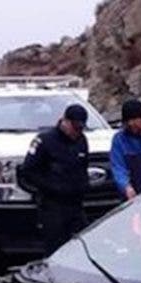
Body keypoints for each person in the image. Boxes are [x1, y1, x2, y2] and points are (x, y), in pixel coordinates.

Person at [19, 104, 90, 255]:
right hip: (52, 205)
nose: (77, 132)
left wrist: (84, 186)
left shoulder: (81, 140)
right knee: (55, 248)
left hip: (76, 204)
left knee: (84, 243)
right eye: (75, 128)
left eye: (81, 129)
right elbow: (28, 171)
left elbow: (83, 166)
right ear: (65, 122)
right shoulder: (44, 141)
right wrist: (51, 186)